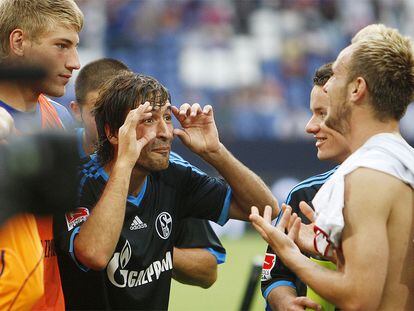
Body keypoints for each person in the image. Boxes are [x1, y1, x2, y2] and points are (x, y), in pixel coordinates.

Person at [54, 71, 277, 310]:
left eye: (168, 117)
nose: (165, 132)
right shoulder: (78, 181)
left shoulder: (172, 174)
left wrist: (215, 152)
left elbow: (265, 209)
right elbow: (94, 255)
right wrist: (125, 164)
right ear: (112, 133)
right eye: (149, 120)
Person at [251, 24, 414, 311]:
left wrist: (292, 253)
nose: (327, 86)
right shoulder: (401, 161)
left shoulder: (366, 175)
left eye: (336, 74)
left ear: (357, 88)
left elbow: (358, 299)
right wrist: (328, 249)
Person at [67, 57, 226, 289]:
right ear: (76, 111)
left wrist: (152, 247)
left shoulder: (165, 169)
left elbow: (207, 270)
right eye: (96, 112)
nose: (106, 120)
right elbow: (92, 254)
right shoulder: (66, 170)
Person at [0, 0, 83, 309]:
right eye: (61, 45)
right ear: (18, 41)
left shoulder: (60, 120)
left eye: (75, 47)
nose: (75, 62)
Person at [261, 63, 352, 311]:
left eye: (322, 113)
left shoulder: (402, 184)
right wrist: (285, 301)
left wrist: (334, 253)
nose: (310, 126)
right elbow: (275, 275)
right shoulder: (305, 196)